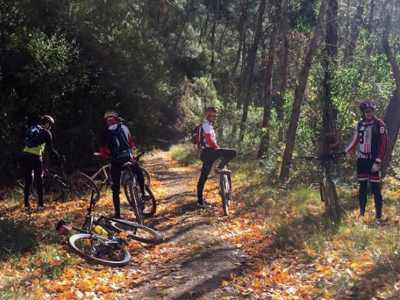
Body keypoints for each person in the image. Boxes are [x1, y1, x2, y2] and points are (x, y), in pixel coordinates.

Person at [345, 100, 388, 224]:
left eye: (370, 111)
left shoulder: (380, 124)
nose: (368, 113)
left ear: (373, 111)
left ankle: (378, 216)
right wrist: (347, 151)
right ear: (363, 112)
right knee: (362, 187)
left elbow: (384, 144)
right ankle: (362, 213)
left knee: (376, 189)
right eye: (366, 111)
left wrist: (378, 161)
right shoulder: (360, 124)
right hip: (362, 159)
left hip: (374, 160)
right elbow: (355, 140)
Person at [98, 111, 146, 219]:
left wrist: (105, 156)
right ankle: (143, 193)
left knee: (115, 188)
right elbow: (131, 143)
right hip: (128, 157)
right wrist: (132, 153)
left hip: (116, 161)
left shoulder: (104, 132)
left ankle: (118, 214)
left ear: (107, 121)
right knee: (139, 172)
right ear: (117, 119)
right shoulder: (124, 127)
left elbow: (103, 151)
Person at [196, 107, 237, 208]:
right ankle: (219, 167)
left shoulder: (206, 125)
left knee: (203, 178)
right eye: (212, 115)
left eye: (215, 116)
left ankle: (200, 202)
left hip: (205, 153)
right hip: (210, 152)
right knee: (233, 152)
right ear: (207, 115)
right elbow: (209, 140)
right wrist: (217, 148)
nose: (214, 117)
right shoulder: (206, 126)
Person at [22, 115, 59, 211]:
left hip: (25, 155)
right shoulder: (46, 133)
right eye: (50, 125)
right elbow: (51, 149)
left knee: (28, 180)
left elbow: (25, 139)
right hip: (35, 157)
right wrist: (58, 156)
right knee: (39, 181)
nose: (50, 127)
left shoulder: (32, 128)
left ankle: (26, 204)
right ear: (46, 123)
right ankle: (40, 205)